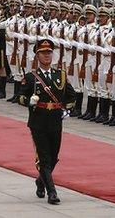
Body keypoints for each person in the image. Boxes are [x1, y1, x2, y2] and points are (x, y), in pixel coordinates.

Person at [19, 38, 77, 205]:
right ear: (37, 56)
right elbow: (21, 97)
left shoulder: (61, 75)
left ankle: (40, 180)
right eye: (43, 53)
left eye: (49, 53)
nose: (47, 56)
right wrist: (29, 101)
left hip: (55, 120)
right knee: (44, 157)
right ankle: (52, 192)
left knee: (54, 157)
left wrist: (67, 109)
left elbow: (71, 96)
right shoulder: (31, 78)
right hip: (38, 121)